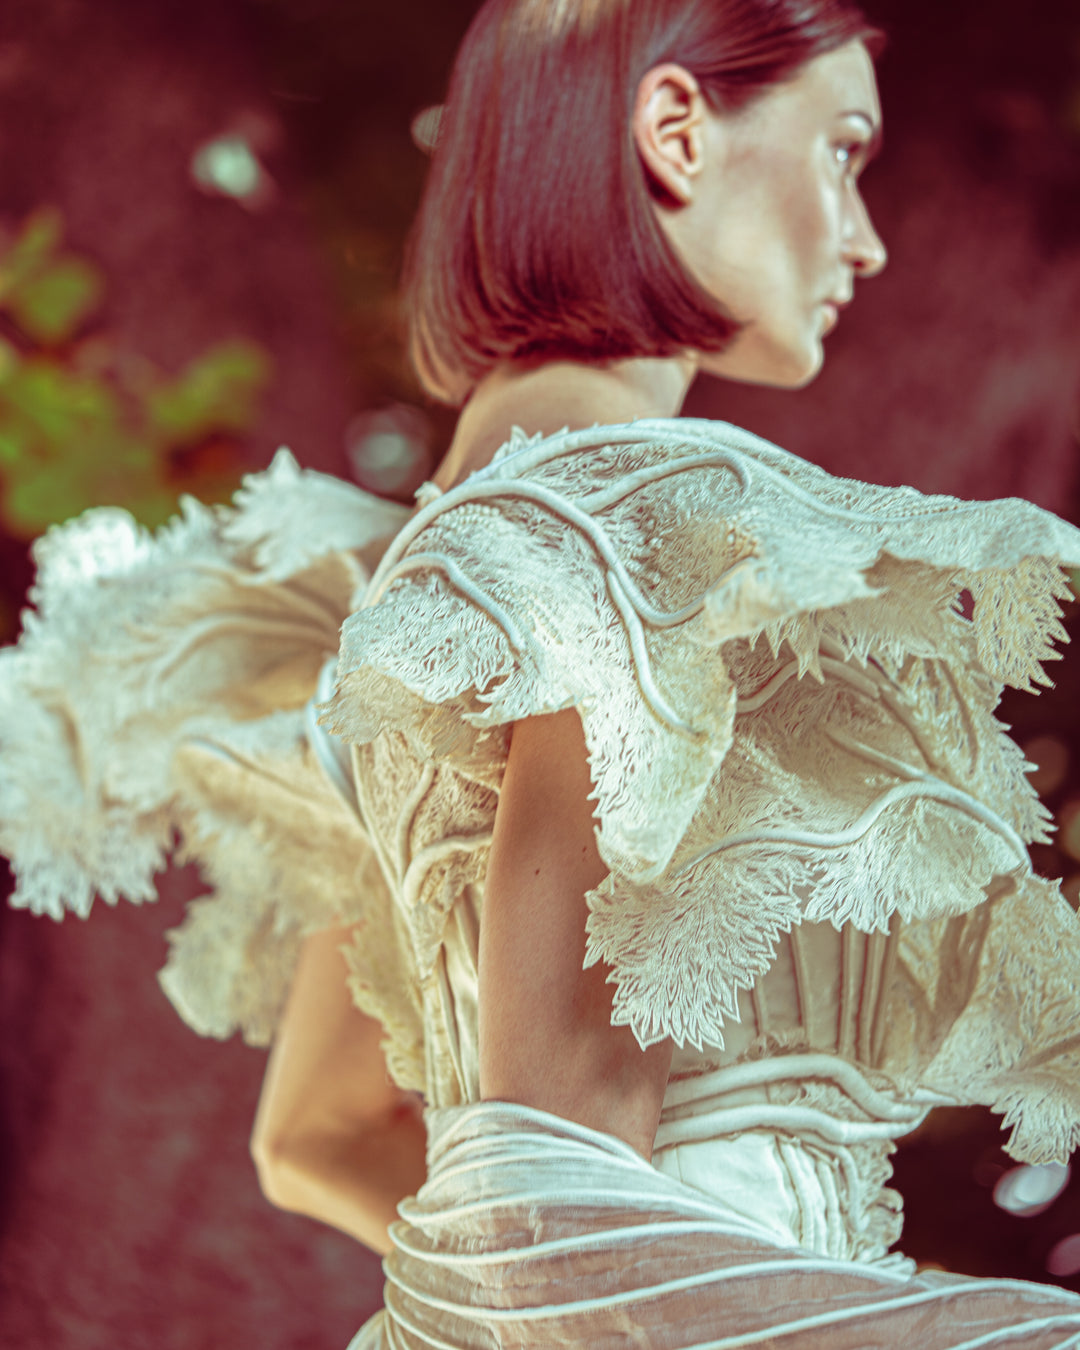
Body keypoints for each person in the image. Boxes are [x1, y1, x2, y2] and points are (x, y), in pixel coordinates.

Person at [6, 0, 1080, 1345]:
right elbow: (546, 1212)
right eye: (844, 151)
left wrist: (768, 1287)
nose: (864, 237)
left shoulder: (416, 590)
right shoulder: (622, 521)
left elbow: (324, 1133)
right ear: (676, 129)